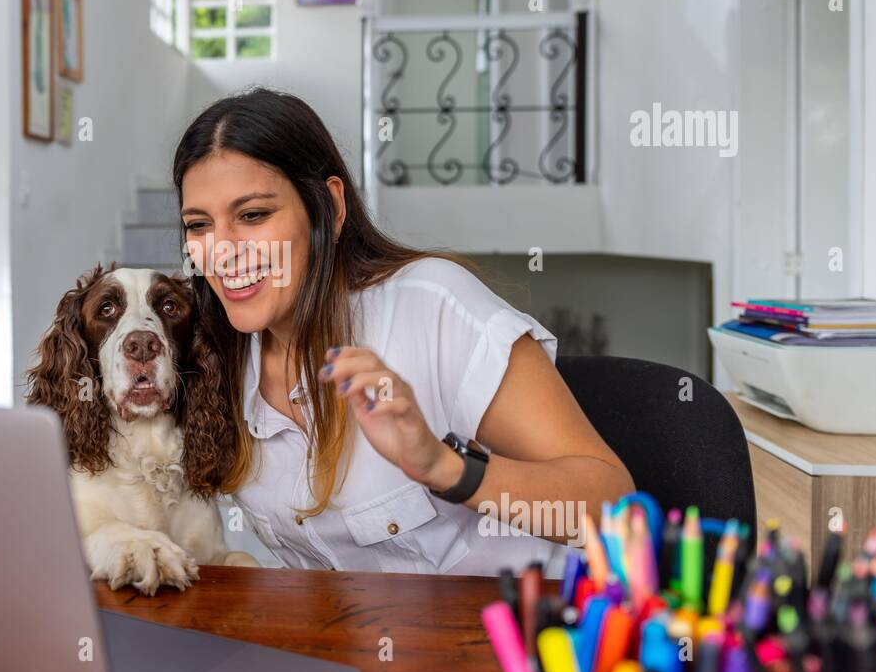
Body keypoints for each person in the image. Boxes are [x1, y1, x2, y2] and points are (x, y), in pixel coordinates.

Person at [173, 87, 633, 577]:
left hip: (523, 634)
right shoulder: (208, 355)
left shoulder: (433, 304)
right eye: (199, 225)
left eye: (253, 215)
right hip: (357, 643)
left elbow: (613, 510)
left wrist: (444, 467)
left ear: (328, 208)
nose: (221, 252)